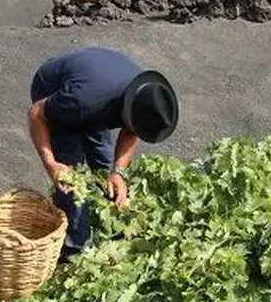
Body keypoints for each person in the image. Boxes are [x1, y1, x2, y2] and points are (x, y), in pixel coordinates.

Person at [27, 46, 179, 260]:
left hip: (92, 91)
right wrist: (51, 163)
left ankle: (109, 222)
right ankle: (74, 250)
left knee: (105, 164)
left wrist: (118, 172)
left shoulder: (144, 94)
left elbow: (131, 131)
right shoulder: (81, 101)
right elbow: (36, 115)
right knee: (72, 180)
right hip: (55, 90)